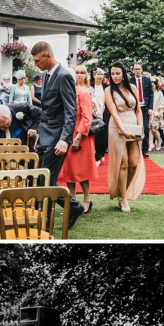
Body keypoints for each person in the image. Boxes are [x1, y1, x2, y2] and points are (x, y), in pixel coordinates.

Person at [31, 41, 77, 191]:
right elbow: (45, 110)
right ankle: (74, 208)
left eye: (37, 60)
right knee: (38, 177)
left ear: (48, 56)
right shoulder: (44, 76)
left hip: (57, 138)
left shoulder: (64, 76)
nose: (35, 64)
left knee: (47, 181)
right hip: (44, 135)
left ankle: (44, 213)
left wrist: (64, 139)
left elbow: (71, 111)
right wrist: (39, 134)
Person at [105, 60, 146, 213]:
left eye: (117, 73)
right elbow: (114, 112)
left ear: (123, 74)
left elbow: (138, 111)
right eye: (112, 74)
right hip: (117, 128)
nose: (115, 76)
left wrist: (140, 129)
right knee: (124, 163)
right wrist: (123, 130)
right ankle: (123, 198)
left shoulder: (133, 88)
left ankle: (123, 191)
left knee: (134, 163)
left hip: (134, 128)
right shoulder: (109, 90)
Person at [61, 64, 97, 213]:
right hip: (66, 135)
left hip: (80, 136)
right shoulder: (66, 92)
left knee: (81, 171)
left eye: (82, 73)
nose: (79, 75)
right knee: (69, 172)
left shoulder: (83, 93)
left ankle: (87, 199)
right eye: (77, 73)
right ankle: (73, 202)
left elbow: (87, 118)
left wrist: (78, 137)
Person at [130, 62, 154, 158]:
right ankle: (134, 149)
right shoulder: (130, 80)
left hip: (145, 108)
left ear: (141, 69)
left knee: (146, 128)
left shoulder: (147, 80)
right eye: (135, 69)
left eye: (139, 69)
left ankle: (145, 150)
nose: (137, 71)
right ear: (133, 70)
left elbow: (151, 94)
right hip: (134, 108)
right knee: (134, 128)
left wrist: (151, 108)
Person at [90, 68, 109, 163]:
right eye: (98, 74)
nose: (100, 76)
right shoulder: (90, 87)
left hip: (105, 114)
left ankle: (101, 153)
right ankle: (97, 157)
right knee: (97, 136)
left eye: (102, 74)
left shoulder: (107, 87)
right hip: (94, 115)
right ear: (94, 76)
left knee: (106, 137)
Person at [150, 77, 164, 152]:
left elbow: (162, 103)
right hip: (149, 113)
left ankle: (159, 141)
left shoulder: (159, 93)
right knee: (149, 129)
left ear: (156, 85)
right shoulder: (148, 93)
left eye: (153, 85)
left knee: (154, 129)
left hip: (156, 113)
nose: (152, 86)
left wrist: (161, 112)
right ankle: (151, 145)